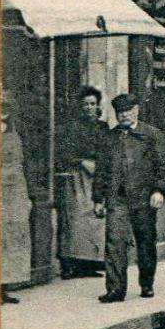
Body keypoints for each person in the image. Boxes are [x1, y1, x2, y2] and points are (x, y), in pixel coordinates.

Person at [92, 93, 165, 302]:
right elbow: (101, 170)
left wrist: (159, 190)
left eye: (128, 111)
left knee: (145, 241)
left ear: (136, 110)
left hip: (144, 198)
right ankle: (115, 289)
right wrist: (98, 198)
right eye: (120, 112)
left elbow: (163, 166)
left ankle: (146, 283)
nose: (124, 116)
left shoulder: (152, 135)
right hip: (117, 198)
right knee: (114, 243)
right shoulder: (109, 137)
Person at [58, 86, 110, 278]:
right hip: (78, 176)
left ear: (98, 106)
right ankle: (71, 264)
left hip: (97, 175)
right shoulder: (72, 127)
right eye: (86, 104)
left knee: (95, 219)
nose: (89, 108)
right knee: (77, 218)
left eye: (92, 104)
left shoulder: (103, 127)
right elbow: (65, 153)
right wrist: (81, 162)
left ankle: (90, 263)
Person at [0, 95, 29, 304]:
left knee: (12, 237)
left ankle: (4, 287)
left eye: (5, 109)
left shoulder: (16, 131)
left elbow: (27, 163)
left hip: (16, 190)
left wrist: (30, 196)